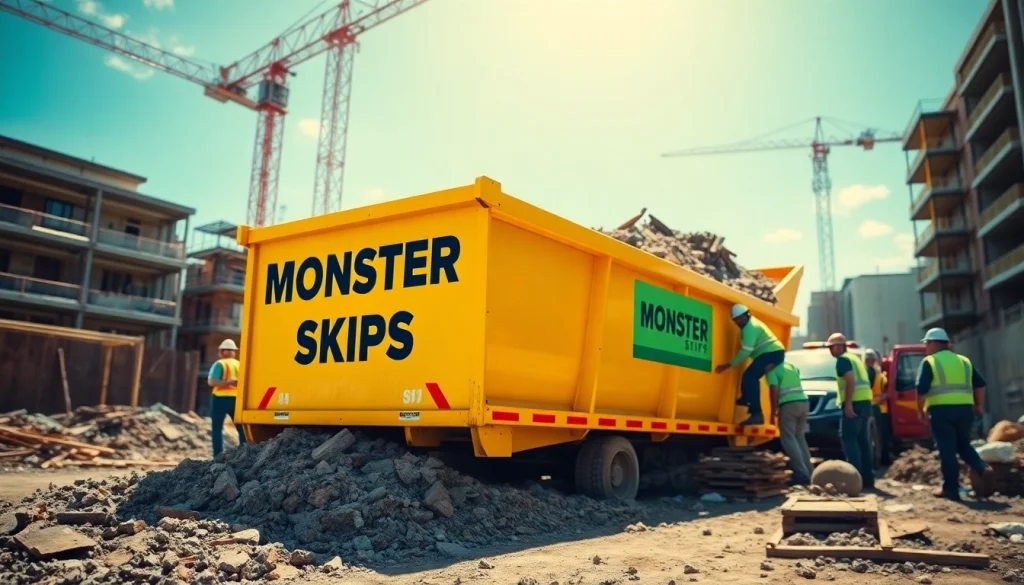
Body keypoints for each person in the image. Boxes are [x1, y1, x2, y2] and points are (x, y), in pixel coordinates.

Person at [915, 327, 992, 501]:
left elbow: (921, 390)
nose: (926, 347)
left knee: (947, 449)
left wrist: (920, 410)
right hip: (965, 410)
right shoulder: (964, 361)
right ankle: (982, 468)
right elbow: (980, 385)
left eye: (927, 343)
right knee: (963, 445)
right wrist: (978, 405)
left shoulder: (930, 361)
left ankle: (951, 488)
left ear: (935, 343)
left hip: (942, 411)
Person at [715, 304, 786, 426]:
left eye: (739, 319)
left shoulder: (750, 327)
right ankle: (747, 399)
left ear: (746, 315)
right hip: (773, 353)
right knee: (749, 376)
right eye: (735, 320)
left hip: (772, 353)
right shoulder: (751, 324)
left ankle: (756, 414)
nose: (737, 322)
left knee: (750, 377)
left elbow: (746, 351)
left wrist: (729, 364)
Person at [827, 332, 875, 490]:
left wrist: (848, 404)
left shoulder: (843, 360)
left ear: (840, 346)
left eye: (832, 347)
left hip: (854, 403)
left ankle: (854, 481)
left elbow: (849, 380)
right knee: (862, 441)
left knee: (849, 440)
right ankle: (867, 479)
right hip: (865, 403)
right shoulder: (855, 359)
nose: (830, 350)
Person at [767, 360, 813, 484]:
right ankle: (810, 472)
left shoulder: (772, 369)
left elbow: (774, 390)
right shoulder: (791, 366)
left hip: (789, 405)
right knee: (799, 437)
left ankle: (801, 474)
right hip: (804, 403)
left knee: (788, 438)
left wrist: (773, 411)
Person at [208, 338, 247, 456]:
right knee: (242, 429)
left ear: (224, 351)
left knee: (217, 429)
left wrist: (227, 382)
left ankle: (218, 456)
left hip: (219, 398)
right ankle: (244, 453)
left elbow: (212, 382)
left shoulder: (220, 364)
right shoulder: (240, 364)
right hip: (236, 399)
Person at [864, 348, 893, 466]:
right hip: (878, 407)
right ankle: (881, 460)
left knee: (878, 437)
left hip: (877, 407)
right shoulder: (874, 372)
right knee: (879, 437)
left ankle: (879, 460)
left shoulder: (873, 372)